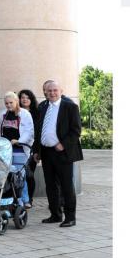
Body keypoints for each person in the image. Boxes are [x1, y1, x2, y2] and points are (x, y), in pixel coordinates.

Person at [34, 80, 83, 227]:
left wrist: (63, 144)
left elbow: (76, 131)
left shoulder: (70, 107)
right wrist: (37, 150)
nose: (52, 93)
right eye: (49, 91)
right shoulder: (42, 107)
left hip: (63, 152)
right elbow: (38, 131)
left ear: (61, 91)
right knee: (50, 185)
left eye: (55, 90)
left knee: (67, 186)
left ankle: (70, 218)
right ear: (45, 92)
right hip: (47, 152)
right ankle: (55, 215)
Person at [0, 91, 34, 209]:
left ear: (16, 101)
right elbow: (1, 131)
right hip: (6, 149)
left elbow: (29, 131)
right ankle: (12, 199)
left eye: (11, 103)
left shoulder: (25, 114)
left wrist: (19, 141)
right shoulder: (3, 114)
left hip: (20, 149)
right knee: (8, 175)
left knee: (19, 175)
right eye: (6, 103)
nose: (8, 105)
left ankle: (24, 200)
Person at [17, 89, 40, 203]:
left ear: (31, 99)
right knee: (19, 175)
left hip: (32, 148)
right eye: (22, 97)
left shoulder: (37, 112)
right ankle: (20, 198)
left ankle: (29, 199)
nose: (25, 99)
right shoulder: (16, 113)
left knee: (29, 174)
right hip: (18, 148)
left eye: (27, 97)